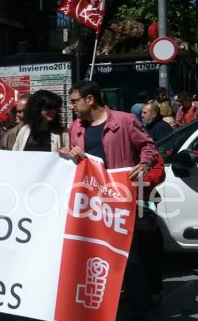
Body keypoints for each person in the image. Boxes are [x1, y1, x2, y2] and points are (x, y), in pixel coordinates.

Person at [60, 80, 158, 320]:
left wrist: (144, 163)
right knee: (94, 254)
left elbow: (149, 147)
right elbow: (74, 156)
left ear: (89, 99)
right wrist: (69, 154)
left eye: (74, 101)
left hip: (119, 199)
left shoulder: (125, 121)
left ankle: (140, 309)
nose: (72, 106)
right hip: (91, 201)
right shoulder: (76, 128)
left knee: (128, 256)